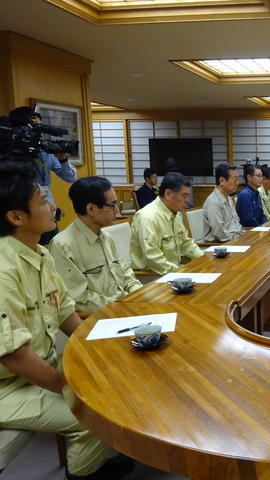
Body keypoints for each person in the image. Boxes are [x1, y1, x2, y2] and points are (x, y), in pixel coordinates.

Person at [0, 161, 133, 480]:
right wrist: (66, 386)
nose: (54, 206)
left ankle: (94, 462)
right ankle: (84, 474)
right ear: (17, 217)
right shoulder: (4, 269)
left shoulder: (38, 253)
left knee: (113, 379)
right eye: (44, 201)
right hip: (8, 387)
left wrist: (104, 344)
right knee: (90, 414)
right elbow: (14, 355)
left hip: (40, 367)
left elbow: (65, 314)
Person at [49, 176, 142, 313]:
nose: (117, 211)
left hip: (126, 306)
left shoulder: (106, 236)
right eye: (113, 205)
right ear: (91, 209)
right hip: (102, 316)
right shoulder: (63, 245)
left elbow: (125, 271)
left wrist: (138, 295)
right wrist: (122, 306)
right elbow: (78, 298)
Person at [9, 106, 77, 245]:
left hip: (47, 214)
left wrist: (62, 158)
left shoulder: (44, 153)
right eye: (34, 129)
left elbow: (70, 178)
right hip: (21, 217)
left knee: (52, 253)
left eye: (40, 129)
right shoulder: (9, 152)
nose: (38, 133)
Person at [130, 173, 204, 275]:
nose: (188, 201)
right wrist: (181, 272)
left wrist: (204, 260)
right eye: (184, 196)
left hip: (172, 273)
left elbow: (186, 243)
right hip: (152, 278)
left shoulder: (174, 213)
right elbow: (153, 258)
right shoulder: (148, 217)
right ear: (168, 194)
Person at [202, 163, 243, 243]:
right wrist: (238, 241)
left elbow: (237, 225)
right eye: (235, 179)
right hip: (222, 246)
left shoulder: (228, 198)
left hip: (235, 241)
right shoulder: (213, 202)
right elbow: (220, 234)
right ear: (222, 181)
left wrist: (245, 237)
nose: (237, 183)